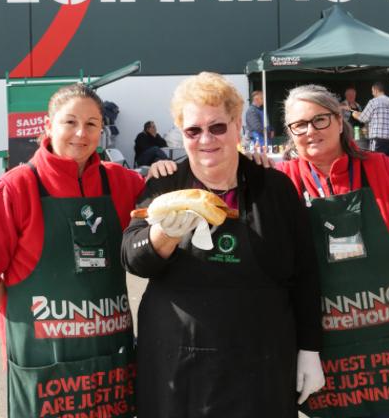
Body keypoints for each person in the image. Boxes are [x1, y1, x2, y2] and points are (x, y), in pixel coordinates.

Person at [121, 72, 324, 418]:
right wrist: (165, 234)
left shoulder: (274, 188)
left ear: (236, 126)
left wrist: (309, 348)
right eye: (193, 130)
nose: (206, 139)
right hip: (178, 365)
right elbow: (133, 257)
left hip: (261, 364)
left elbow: (305, 273)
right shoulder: (165, 185)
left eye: (217, 127)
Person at [0, 83, 145, 418]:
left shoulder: (124, 183)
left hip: (109, 365)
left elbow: (179, 199)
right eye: (70, 122)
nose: (81, 133)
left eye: (92, 124)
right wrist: (22, 306)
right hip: (45, 370)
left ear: (102, 130)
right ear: (49, 125)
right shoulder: (15, 189)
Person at [278, 84, 389, 417]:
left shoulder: (384, 169)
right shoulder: (280, 182)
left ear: (340, 120)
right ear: (291, 134)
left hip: (387, 339)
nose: (310, 131)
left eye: (320, 120)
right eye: (300, 125)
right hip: (321, 343)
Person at [352, 81, 389, 156]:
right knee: (387, 161)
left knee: (376, 160)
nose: (372, 94)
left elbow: (363, 118)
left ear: (375, 90)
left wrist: (355, 114)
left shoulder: (374, 102)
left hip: (378, 138)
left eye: (372, 91)